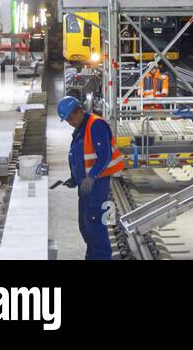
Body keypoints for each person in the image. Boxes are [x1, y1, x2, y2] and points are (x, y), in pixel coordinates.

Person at [57, 96, 125, 261]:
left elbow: (105, 155)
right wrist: (74, 179)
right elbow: (79, 157)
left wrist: (92, 177)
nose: (70, 122)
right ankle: (93, 256)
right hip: (85, 185)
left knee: (95, 225)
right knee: (85, 227)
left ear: (79, 111)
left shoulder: (96, 125)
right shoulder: (81, 128)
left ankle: (101, 257)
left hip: (97, 184)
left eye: (71, 118)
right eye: (67, 120)